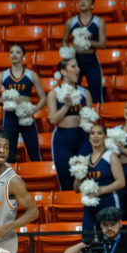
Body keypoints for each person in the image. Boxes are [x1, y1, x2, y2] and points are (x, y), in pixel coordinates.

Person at [0, 44, 45, 162]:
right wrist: (8, 100)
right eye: (12, 52)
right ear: (9, 56)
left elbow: (43, 98)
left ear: (23, 56)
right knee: (9, 155)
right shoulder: (2, 75)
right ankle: (10, 180)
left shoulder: (31, 74)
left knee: (34, 153)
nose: (14, 55)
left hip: (26, 117)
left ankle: (36, 179)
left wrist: (34, 110)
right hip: (10, 117)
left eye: (18, 52)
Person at [48, 58, 93, 190]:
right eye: (73, 66)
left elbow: (90, 119)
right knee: (65, 180)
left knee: (85, 179)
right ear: (63, 71)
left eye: (77, 66)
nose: (77, 69)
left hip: (83, 138)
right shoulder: (53, 93)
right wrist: (67, 105)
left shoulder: (85, 92)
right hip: (62, 139)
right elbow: (52, 119)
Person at [74, 124, 126, 237]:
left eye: (99, 133)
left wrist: (101, 190)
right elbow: (76, 189)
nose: (95, 136)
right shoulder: (85, 159)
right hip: (89, 205)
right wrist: (78, 174)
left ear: (105, 137)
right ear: (89, 138)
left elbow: (121, 182)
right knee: (87, 238)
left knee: (110, 237)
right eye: (92, 133)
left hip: (108, 202)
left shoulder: (111, 156)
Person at [61, 0, 107, 103]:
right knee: (72, 90)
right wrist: (67, 53)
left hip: (92, 59)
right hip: (76, 60)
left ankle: (96, 116)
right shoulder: (70, 22)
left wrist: (86, 41)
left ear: (92, 5)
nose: (83, 1)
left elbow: (103, 44)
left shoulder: (99, 22)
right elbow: (64, 41)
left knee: (96, 92)